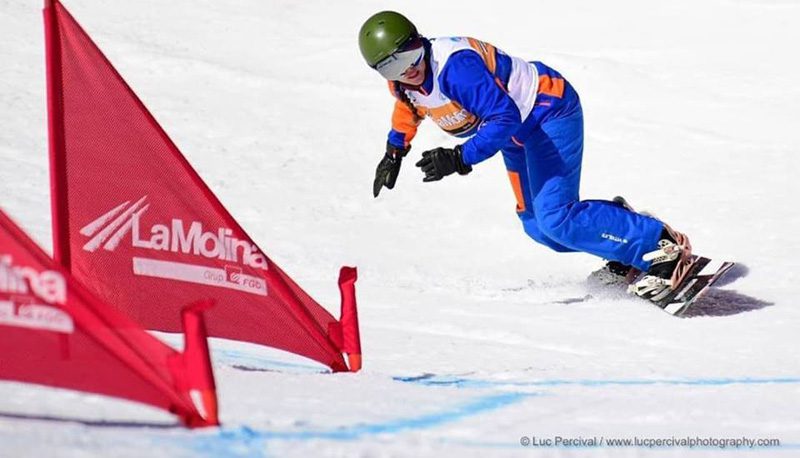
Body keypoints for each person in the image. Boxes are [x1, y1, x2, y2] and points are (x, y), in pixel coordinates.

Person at [358, 11, 693, 303]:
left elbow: (503, 116)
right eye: (392, 66)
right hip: (515, 134)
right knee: (538, 228)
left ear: (421, 40)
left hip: (548, 111)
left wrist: (460, 158)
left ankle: (661, 245)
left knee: (556, 218)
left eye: (411, 54)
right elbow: (409, 108)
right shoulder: (403, 84)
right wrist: (394, 150)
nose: (409, 69)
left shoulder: (455, 68)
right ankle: (620, 232)